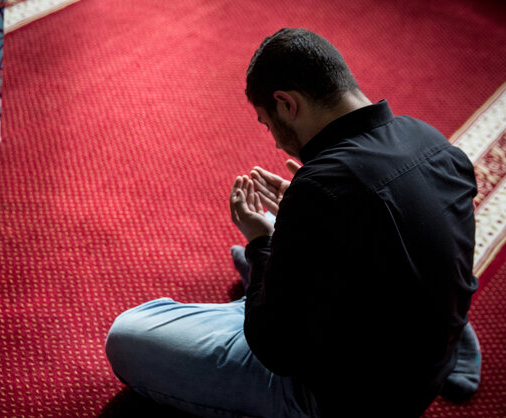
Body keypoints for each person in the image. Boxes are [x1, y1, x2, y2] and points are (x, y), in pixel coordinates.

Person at [105, 28, 481, 417]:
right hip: (421, 349)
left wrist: (261, 242)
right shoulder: (432, 140)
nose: (275, 142)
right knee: (282, 221)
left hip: (344, 398)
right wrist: (298, 219)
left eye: (267, 123)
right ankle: (453, 344)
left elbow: (275, 349)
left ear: (287, 103)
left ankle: (261, 278)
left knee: (130, 334)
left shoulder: (321, 188)